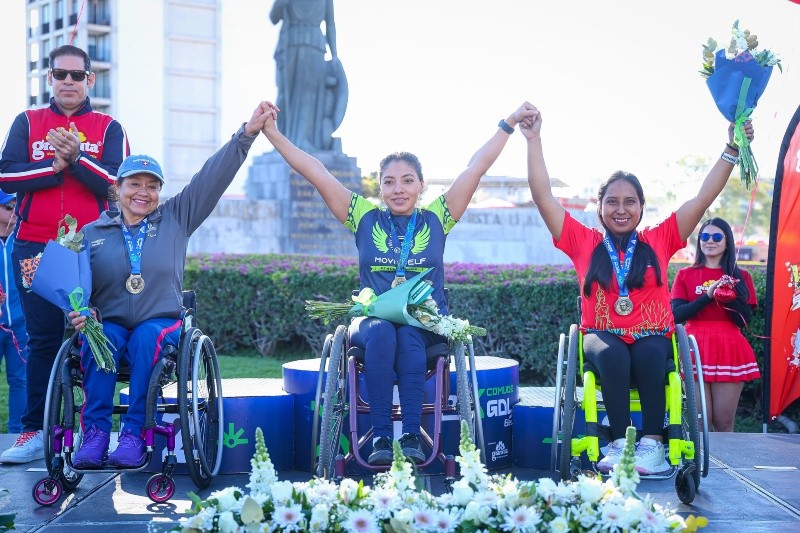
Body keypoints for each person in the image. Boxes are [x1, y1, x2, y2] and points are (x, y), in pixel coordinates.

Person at [262, 100, 535, 465]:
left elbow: (477, 167)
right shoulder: (362, 216)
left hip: (424, 326)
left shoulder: (439, 217)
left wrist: (510, 122)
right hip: (372, 325)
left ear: (421, 185)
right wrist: (273, 134)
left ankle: (409, 437)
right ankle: (377, 439)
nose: (398, 189)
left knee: (406, 334)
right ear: (380, 186)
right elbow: (317, 172)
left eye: (408, 180)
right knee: (383, 331)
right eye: (389, 181)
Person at [523, 104, 754, 475]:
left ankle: (652, 445)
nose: (621, 209)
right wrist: (534, 140)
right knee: (613, 354)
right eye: (612, 201)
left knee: (649, 354)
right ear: (598, 207)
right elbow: (542, 197)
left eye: (629, 201)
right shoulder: (583, 242)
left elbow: (701, 200)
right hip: (601, 337)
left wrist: (730, 149)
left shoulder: (659, 240)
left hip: (652, 336)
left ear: (642, 206)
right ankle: (617, 443)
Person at [65, 103, 273, 468]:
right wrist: (80, 312)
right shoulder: (91, 233)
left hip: (160, 321)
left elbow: (212, 177)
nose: (143, 192)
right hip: (109, 320)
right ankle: (95, 433)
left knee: (148, 337)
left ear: (160, 191)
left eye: (152, 186)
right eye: (134, 184)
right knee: (100, 336)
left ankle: (132, 434)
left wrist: (245, 136)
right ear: (117, 188)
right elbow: (76, 288)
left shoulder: (177, 217)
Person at [0, 45, 130, 464]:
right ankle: (33, 431)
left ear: (91, 79)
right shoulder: (28, 122)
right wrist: (53, 168)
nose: (69, 82)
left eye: (77, 75)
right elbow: (6, 174)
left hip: (92, 248)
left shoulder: (108, 127)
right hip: (33, 246)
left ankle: (94, 432)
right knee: (41, 341)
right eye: (60, 74)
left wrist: (76, 160)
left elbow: (115, 184)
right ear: (50, 78)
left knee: (92, 337)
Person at [671, 217, 760, 432]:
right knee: (700, 423)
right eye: (705, 236)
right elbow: (677, 314)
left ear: (727, 241)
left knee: (724, 422)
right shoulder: (685, 275)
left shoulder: (741, 276)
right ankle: (702, 467)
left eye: (717, 236)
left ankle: (723, 466)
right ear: (699, 240)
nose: (710, 241)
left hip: (729, 348)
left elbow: (743, 319)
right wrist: (709, 295)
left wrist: (729, 296)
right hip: (694, 348)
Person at [270, 0, 345, 151]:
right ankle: (282, 141)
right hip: (290, 45)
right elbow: (274, 18)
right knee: (285, 96)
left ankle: (303, 140)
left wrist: (335, 53)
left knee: (309, 97)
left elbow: (330, 23)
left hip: (314, 47)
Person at [0, 191, 28, 434]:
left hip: (21, 325)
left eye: (17, 208)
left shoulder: (24, 239)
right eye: (9, 208)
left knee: (20, 381)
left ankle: (17, 434)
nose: (15, 213)